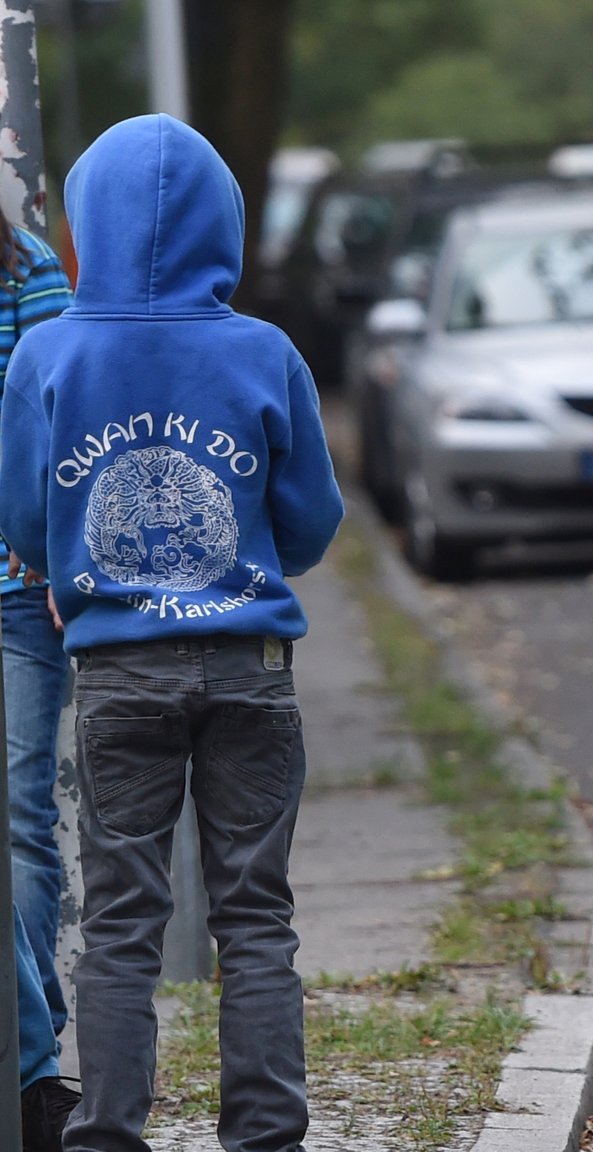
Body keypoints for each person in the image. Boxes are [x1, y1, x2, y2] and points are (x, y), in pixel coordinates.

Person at [0, 114, 345, 1152]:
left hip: (116, 673)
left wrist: (79, 564)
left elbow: (20, 517)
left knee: (119, 927)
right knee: (255, 920)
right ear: (225, 225)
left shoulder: (51, 353)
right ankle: (266, 1135)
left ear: (84, 224)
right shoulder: (265, 352)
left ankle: (106, 1134)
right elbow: (314, 519)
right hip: (250, 668)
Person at [0, 202, 85, 1148]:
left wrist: (53, 553)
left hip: (20, 586)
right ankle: (28, 1059)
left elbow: (62, 413)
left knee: (21, 822)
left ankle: (31, 1063)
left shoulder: (23, 267)